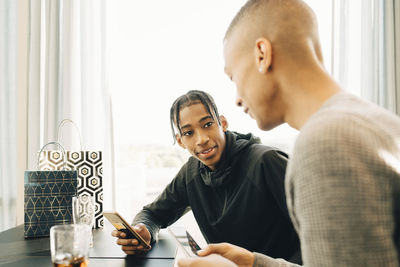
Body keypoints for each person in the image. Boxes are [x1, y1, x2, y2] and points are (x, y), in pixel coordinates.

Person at [178, 0, 400, 266]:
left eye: (233, 76)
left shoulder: (326, 143)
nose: (237, 98)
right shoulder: (369, 121)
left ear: (262, 54)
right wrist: (252, 263)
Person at [111, 90, 301, 263]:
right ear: (181, 141)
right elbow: (152, 214)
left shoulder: (266, 162)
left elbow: (320, 235)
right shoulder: (192, 172)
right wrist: (143, 231)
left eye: (208, 124)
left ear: (223, 123)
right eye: (189, 133)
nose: (201, 139)